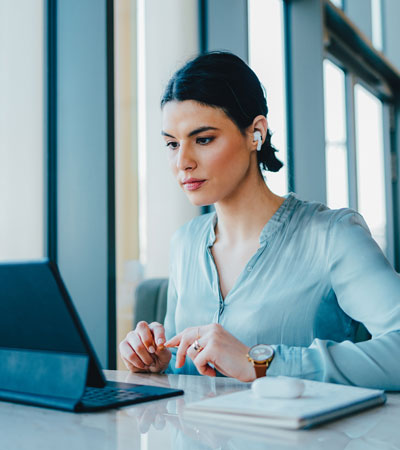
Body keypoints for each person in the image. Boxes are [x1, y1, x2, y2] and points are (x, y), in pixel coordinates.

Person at [119, 52, 400, 389]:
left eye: (203, 139)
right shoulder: (184, 242)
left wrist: (261, 362)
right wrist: (159, 361)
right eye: (172, 144)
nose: (183, 161)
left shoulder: (333, 236)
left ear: (256, 133)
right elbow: (187, 376)